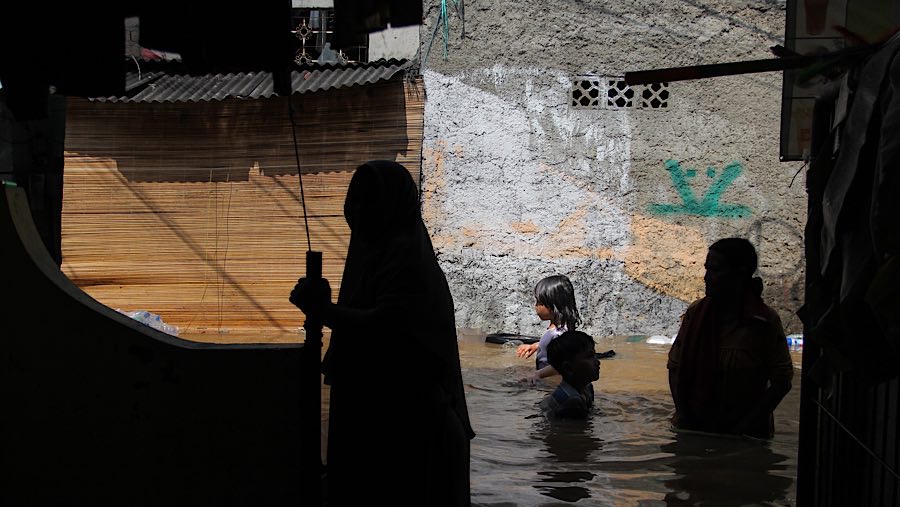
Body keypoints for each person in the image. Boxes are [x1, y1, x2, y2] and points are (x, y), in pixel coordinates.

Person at [290, 160, 475, 506]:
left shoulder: (405, 254)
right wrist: (325, 308)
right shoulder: (370, 252)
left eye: (369, 200)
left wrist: (324, 311)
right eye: (354, 200)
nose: (359, 210)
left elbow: (389, 326)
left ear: (392, 204)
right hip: (381, 415)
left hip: (408, 424)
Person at [667, 237, 794, 439]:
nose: (706, 277)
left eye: (715, 270)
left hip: (745, 434)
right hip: (693, 427)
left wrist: (742, 430)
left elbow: (782, 382)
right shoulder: (696, 313)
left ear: (740, 273)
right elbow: (674, 368)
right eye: (707, 269)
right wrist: (684, 415)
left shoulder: (764, 322)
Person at [517, 275, 582, 384]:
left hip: (553, 384)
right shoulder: (557, 330)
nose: (535, 306)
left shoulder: (560, 334)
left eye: (539, 302)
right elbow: (554, 346)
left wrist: (538, 374)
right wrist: (537, 346)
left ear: (553, 305)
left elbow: (563, 364)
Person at [539, 330, 600, 419]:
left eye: (595, 355)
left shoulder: (588, 388)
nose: (597, 362)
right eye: (589, 357)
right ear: (568, 368)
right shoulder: (572, 401)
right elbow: (576, 431)